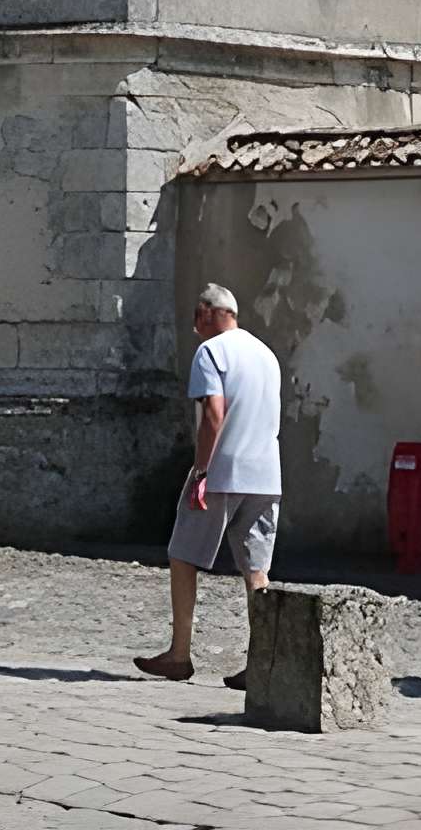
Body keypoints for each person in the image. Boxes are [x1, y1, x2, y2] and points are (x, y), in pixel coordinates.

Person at [135, 284, 282, 685]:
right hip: (267, 473)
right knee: (256, 570)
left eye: (195, 317)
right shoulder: (266, 354)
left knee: (183, 554)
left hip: (223, 471)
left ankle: (179, 654)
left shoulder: (212, 352)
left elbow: (214, 415)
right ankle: (262, 663)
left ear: (204, 312)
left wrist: (201, 470)